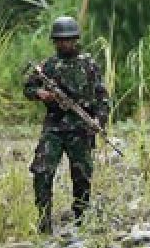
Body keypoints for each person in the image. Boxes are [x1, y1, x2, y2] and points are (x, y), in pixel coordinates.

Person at [23, 15, 111, 234]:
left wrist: (99, 121)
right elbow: (28, 87)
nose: (64, 44)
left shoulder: (88, 65)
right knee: (42, 171)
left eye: (68, 40)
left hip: (81, 127)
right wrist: (40, 94)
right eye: (60, 40)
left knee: (82, 175)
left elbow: (103, 97)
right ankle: (44, 223)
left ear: (76, 40)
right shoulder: (48, 66)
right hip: (54, 127)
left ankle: (81, 220)